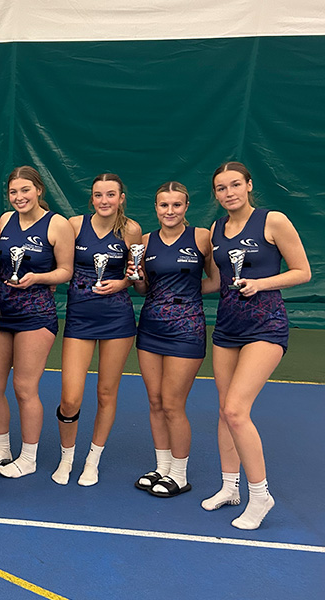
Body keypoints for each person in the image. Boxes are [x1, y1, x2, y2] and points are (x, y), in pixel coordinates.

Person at [202, 162, 309, 530]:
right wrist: (159, 285)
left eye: (235, 185)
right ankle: (229, 487)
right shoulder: (217, 229)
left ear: (248, 185)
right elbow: (216, 282)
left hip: (266, 324)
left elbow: (303, 271)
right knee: (224, 410)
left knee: (236, 410)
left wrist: (260, 284)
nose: (228, 193)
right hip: (227, 326)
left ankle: (260, 495)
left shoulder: (272, 220)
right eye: (221, 188)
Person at [52, 173, 142, 487]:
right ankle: (66, 457)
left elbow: (136, 276)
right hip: (79, 318)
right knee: (70, 398)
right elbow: (59, 264)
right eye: (99, 195)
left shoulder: (131, 230)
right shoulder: (74, 225)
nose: (105, 200)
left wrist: (123, 282)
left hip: (117, 318)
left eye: (111, 195)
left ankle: (93, 460)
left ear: (121, 198)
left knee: (106, 393)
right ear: (92, 199)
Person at [0, 166, 74, 478]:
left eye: (25, 190)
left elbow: (66, 271)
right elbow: (0, 261)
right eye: (13, 192)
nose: (19, 197)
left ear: (38, 190)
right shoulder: (5, 220)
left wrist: (38, 277)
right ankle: (3, 450)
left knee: (24, 387)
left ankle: (29, 457)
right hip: (2, 312)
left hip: (36, 314)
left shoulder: (57, 224)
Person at [130, 182, 216, 497]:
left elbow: (216, 281)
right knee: (155, 401)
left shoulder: (201, 237)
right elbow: (142, 289)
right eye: (164, 205)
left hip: (187, 328)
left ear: (186, 207)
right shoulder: (145, 241)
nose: (170, 211)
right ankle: (162, 467)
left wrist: (185, 297)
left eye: (176, 205)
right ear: (156, 208)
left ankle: (179, 475)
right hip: (151, 327)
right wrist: (137, 278)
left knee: (172, 403)